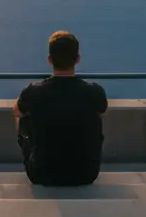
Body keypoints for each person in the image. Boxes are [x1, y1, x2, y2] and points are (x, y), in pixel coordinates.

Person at [14, 31, 107, 186]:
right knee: (97, 112)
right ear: (77, 59)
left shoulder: (33, 92)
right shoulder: (94, 92)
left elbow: (16, 111)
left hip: (41, 174)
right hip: (86, 174)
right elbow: (103, 112)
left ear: (50, 60)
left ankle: (36, 156)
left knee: (22, 116)